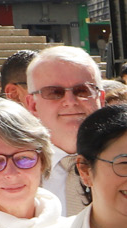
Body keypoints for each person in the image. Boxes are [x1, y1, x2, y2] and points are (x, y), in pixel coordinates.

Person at [25, 46, 107, 216]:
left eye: (82, 90)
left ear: (101, 98)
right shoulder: (12, 171)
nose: (70, 101)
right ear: (32, 105)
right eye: (54, 92)